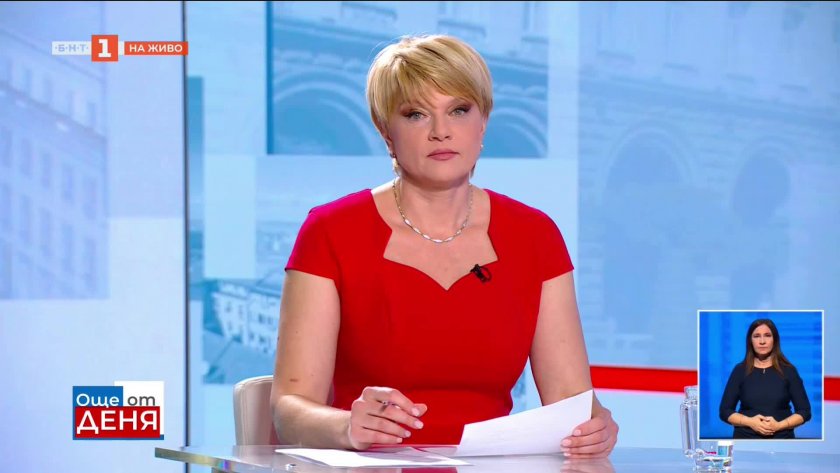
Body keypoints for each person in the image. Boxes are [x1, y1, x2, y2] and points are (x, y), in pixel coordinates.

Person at [269, 34, 618, 458]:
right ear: (386, 131)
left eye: (459, 110)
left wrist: (594, 426)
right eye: (416, 114)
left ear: (483, 123)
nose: (441, 131)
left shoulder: (535, 234)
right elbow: (289, 408)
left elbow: (570, 399)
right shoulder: (330, 231)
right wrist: (346, 427)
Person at [719, 318, 811, 439]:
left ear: (775, 340)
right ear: (750, 341)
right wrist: (750, 422)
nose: (762, 341)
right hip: (745, 440)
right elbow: (725, 411)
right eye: (756, 336)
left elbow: (804, 411)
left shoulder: (789, 371)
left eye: (767, 335)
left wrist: (779, 425)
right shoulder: (740, 370)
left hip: (782, 440)